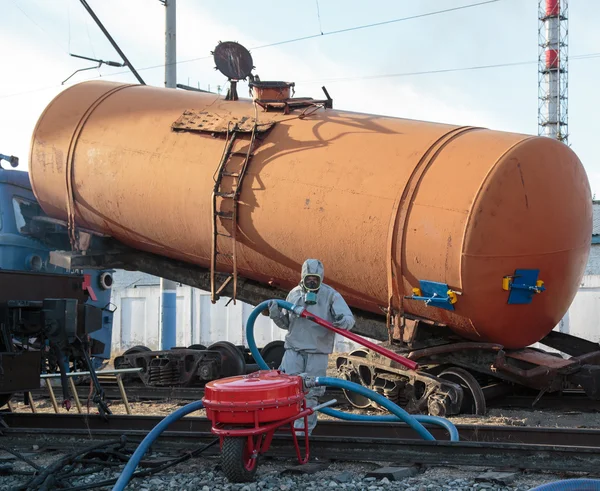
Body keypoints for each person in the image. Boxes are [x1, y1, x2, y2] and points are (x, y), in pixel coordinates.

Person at [268, 259, 355, 434]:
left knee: (310, 396)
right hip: (294, 351)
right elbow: (286, 324)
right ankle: (284, 430)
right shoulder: (293, 294)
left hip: (317, 353)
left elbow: (349, 320)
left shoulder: (331, 295)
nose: (312, 282)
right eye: (309, 279)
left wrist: (341, 322)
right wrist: (276, 315)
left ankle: (302, 436)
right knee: (287, 392)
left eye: (315, 279)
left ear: (321, 278)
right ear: (303, 277)